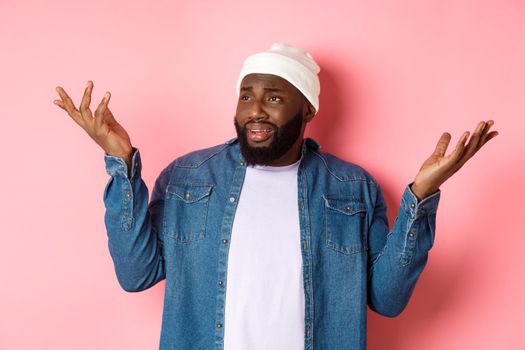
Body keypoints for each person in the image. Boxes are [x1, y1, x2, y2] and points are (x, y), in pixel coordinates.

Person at [54, 43, 498, 350]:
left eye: (273, 96)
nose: (255, 110)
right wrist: (121, 162)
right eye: (246, 95)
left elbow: (388, 299)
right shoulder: (188, 178)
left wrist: (422, 194)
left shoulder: (351, 188)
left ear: (307, 108)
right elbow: (136, 274)